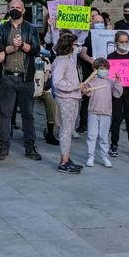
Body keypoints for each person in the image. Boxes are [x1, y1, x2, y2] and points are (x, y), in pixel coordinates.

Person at [0, 0, 43, 161]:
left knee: (28, 114)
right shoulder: (1, 29)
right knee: (5, 114)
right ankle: (4, 146)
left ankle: (30, 147)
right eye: (12, 7)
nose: (15, 9)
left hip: (26, 77)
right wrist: (12, 47)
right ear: (8, 9)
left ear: (23, 10)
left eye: (18, 7)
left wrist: (22, 45)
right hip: (7, 77)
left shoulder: (31, 28)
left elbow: (36, 50)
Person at [107, 31, 129, 157]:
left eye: (126, 42)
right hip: (116, 92)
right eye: (121, 42)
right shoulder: (111, 57)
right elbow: (108, 75)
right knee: (116, 118)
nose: (123, 44)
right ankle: (114, 144)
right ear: (116, 42)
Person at [51, 31, 83, 174]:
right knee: (66, 129)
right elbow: (57, 82)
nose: (78, 47)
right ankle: (64, 161)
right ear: (69, 46)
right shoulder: (62, 61)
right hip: (66, 99)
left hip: (72, 97)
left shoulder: (67, 60)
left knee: (69, 129)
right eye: (76, 45)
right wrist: (75, 87)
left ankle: (67, 158)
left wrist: (82, 88)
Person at [82, 57, 122, 168]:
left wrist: (118, 82)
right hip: (93, 112)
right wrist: (86, 85)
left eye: (105, 68)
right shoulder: (92, 82)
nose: (103, 70)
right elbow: (86, 92)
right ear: (95, 69)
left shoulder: (110, 82)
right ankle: (91, 156)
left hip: (106, 113)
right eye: (100, 68)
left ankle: (105, 157)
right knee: (91, 135)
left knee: (104, 137)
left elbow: (117, 94)